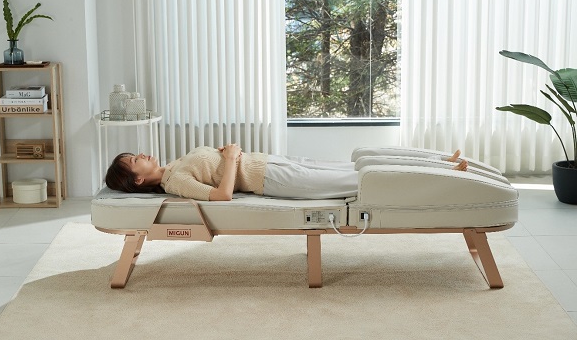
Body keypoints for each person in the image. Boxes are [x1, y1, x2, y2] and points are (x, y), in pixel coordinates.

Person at [104, 144, 468, 201]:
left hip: (275, 163)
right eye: (135, 160)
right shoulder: (175, 182)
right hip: (276, 181)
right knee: (363, 179)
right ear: (138, 179)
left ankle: (439, 162)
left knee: (357, 166)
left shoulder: (175, 164)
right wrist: (232, 157)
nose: (142, 154)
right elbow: (222, 195)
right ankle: (444, 174)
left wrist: (229, 154)